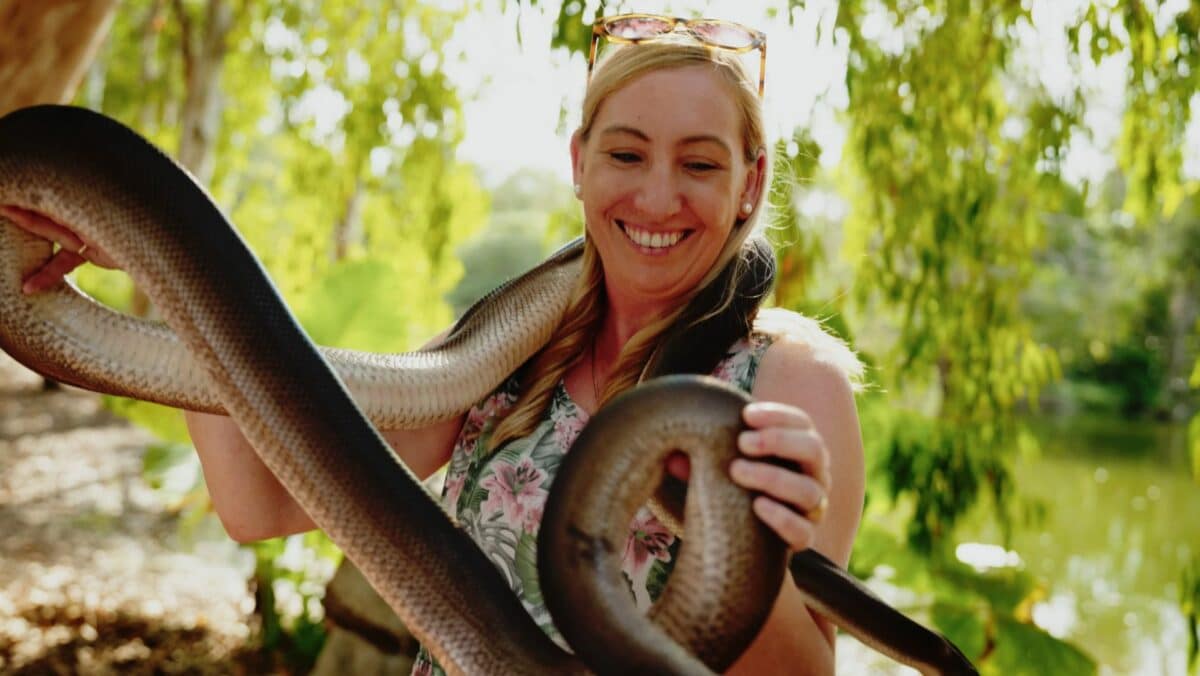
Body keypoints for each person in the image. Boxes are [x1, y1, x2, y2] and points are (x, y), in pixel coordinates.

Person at [0, 14, 865, 675]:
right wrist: (166, 259)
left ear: (751, 183)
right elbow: (259, 503)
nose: (657, 196)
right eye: (627, 153)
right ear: (580, 162)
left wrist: (760, 555)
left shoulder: (786, 383)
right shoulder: (507, 362)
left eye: (702, 164)